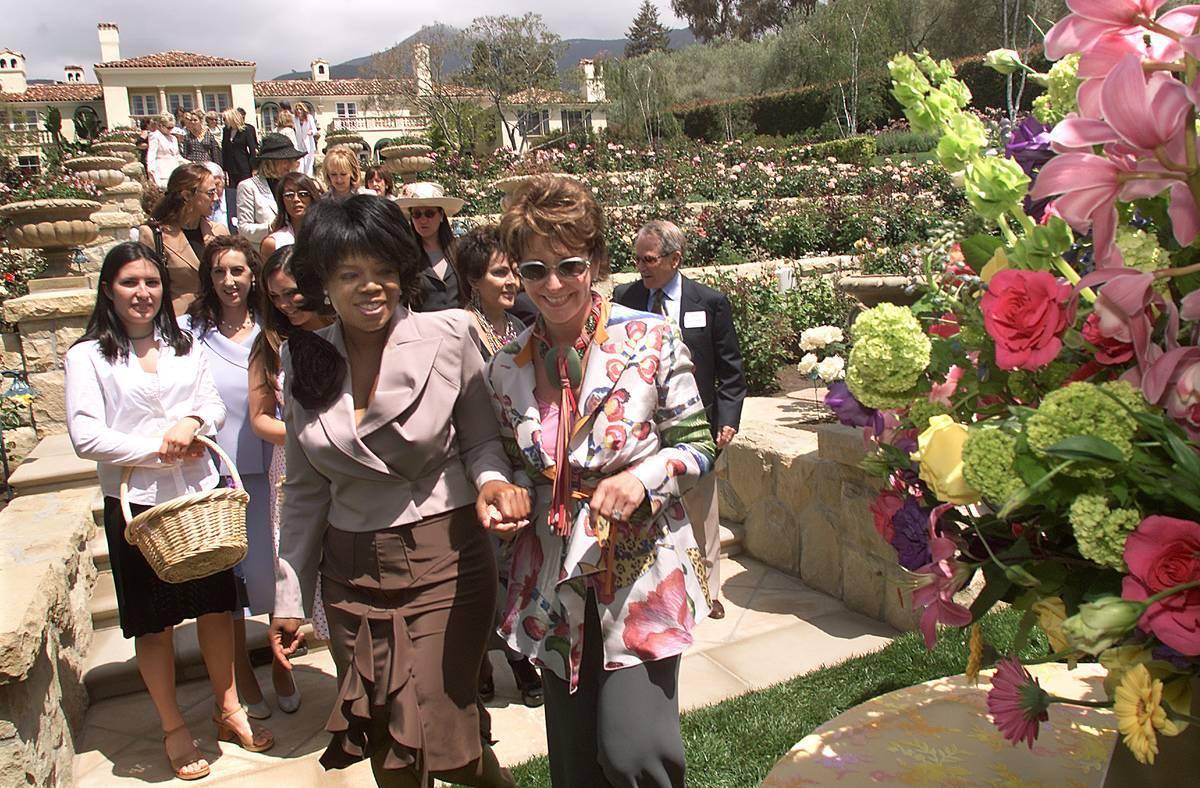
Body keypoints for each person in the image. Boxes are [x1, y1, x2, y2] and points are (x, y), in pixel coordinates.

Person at [267, 195, 528, 787]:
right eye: (350, 274)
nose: (371, 287)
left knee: (444, 735)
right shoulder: (303, 360)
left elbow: (483, 441)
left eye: (383, 270)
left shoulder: (451, 332)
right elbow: (304, 491)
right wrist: (289, 596)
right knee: (387, 740)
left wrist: (491, 482)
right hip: (350, 573)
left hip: (447, 559)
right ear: (322, 282)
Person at [486, 176, 715, 788]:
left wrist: (643, 478)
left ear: (596, 263)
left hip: (638, 573)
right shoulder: (505, 367)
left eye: (569, 265)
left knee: (634, 754)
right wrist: (505, 491)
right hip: (551, 579)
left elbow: (698, 444)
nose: (553, 284)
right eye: (535, 270)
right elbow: (512, 460)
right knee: (574, 766)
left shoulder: (650, 338)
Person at [65, 241, 273, 782]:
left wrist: (193, 425)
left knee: (215, 609)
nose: (143, 293)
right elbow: (86, 435)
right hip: (138, 508)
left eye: (152, 282)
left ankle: (228, 707)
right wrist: (158, 448)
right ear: (108, 289)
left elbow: (211, 405)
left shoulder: (184, 343)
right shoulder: (88, 357)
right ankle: (173, 726)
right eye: (130, 282)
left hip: (198, 500)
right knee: (154, 624)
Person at [180, 236, 294, 720]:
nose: (229, 281)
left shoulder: (274, 326)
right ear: (208, 278)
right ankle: (242, 672)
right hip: (218, 475)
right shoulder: (189, 333)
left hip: (272, 469)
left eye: (238, 271)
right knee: (230, 581)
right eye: (219, 271)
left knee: (275, 574)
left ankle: (282, 661)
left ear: (253, 275)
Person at [613, 220, 747, 621]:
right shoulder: (625, 299)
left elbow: (731, 371)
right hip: (641, 430)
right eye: (638, 259)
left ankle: (709, 593)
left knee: (702, 515)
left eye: (649, 259)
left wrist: (727, 419)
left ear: (675, 258)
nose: (641, 267)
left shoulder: (709, 302)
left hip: (695, 428)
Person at [452, 224, 545, 709]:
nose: (511, 281)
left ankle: (519, 656)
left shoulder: (521, 324)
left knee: (518, 569)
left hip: (523, 464)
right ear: (473, 280)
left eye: (513, 271)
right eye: (498, 273)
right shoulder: (459, 330)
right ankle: (498, 664)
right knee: (489, 573)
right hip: (480, 466)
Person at [247, 246, 334, 660]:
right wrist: (304, 436)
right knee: (311, 566)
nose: (285, 304)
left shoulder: (346, 330)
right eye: (276, 297)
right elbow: (260, 418)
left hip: (348, 466)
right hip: (293, 464)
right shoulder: (270, 345)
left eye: (292, 292)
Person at [138, 163, 230, 314]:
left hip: (218, 317)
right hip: (178, 319)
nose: (216, 198)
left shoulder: (219, 231)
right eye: (210, 193)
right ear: (187, 195)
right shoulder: (153, 235)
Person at [394, 181, 465, 312]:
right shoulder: (407, 255)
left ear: (441, 215)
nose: (423, 220)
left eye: (429, 213)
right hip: (423, 324)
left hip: (460, 323)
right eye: (417, 214)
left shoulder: (459, 250)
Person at [235, 133, 304, 245]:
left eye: (291, 160)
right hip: (265, 251)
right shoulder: (248, 187)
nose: (289, 165)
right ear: (270, 162)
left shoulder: (293, 185)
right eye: (285, 160)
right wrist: (271, 227)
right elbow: (243, 229)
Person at [261, 171, 320, 258]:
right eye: (289, 195)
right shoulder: (273, 243)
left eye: (303, 194)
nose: (296, 199)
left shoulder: (328, 236)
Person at [221, 108, 257, 232]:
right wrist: (224, 168)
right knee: (233, 192)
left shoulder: (246, 130)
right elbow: (224, 149)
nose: (224, 121)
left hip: (243, 166)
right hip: (231, 167)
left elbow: (252, 150)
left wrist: (254, 167)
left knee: (244, 191)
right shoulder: (226, 131)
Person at [147, 112, 183, 188]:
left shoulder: (173, 138)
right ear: (161, 125)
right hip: (162, 172)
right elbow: (151, 154)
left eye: (172, 127)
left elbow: (177, 156)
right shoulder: (155, 136)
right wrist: (151, 170)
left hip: (175, 170)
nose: (171, 130)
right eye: (169, 127)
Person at [293, 103, 319, 177]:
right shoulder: (295, 119)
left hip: (308, 145)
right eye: (297, 109)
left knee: (308, 164)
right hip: (299, 145)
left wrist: (311, 132)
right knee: (300, 165)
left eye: (300, 109)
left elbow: (315, 130)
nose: (299, 111)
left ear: (304, 110)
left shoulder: (309, 117)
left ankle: (309, 179)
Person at [202, 162, 229, 231]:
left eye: (216, 184)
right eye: (209, 187)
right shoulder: (199, 201)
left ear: (223, 181)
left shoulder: (236, 197)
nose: (214, 191)